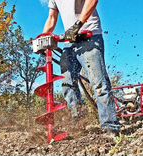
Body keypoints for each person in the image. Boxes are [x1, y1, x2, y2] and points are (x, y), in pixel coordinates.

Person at [43, 0, 121, 133]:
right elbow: (52, 17)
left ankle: (110, 127)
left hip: (89, 36)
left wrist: (78, 24)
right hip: (70, 41)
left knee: (98, 83)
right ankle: (79, 124)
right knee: (67, 84)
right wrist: (42, 39)